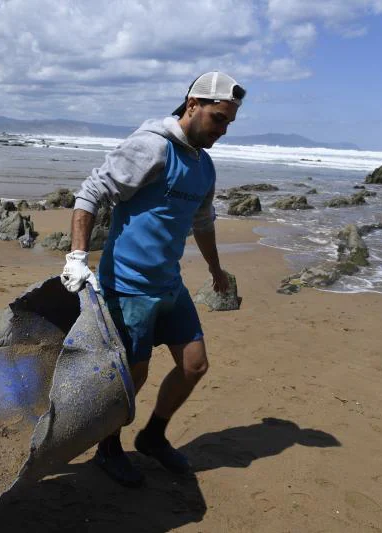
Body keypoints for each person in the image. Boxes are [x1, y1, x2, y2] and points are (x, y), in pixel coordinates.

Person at [61, 71, 245, 487]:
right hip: (127, 286)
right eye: (218, 118)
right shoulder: (152, 146)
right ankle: (108, 448)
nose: (223, 130)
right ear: (192, 104)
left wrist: (216, 270)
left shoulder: (204, 165)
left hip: (168, 285)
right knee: (132, 375)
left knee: (195, 365)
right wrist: (77, 256)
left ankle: (153, 436)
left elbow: (202, 221)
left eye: (229, 123)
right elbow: (91, 192)